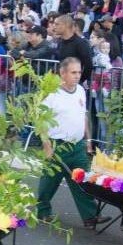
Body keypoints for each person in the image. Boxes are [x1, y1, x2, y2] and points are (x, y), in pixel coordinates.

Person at [36, 57, 112, 228]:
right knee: (49, 181)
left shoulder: (79, 90)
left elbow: (83, 115)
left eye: (79, 72)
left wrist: (88, 140)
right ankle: (43, 210)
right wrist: (46, 145)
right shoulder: (51, 94)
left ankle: (90, 216)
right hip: (57, 145)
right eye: (73, 72)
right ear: (62, 73)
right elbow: (40, 121)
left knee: (82, 181)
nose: (77, 76)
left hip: (77, 145)